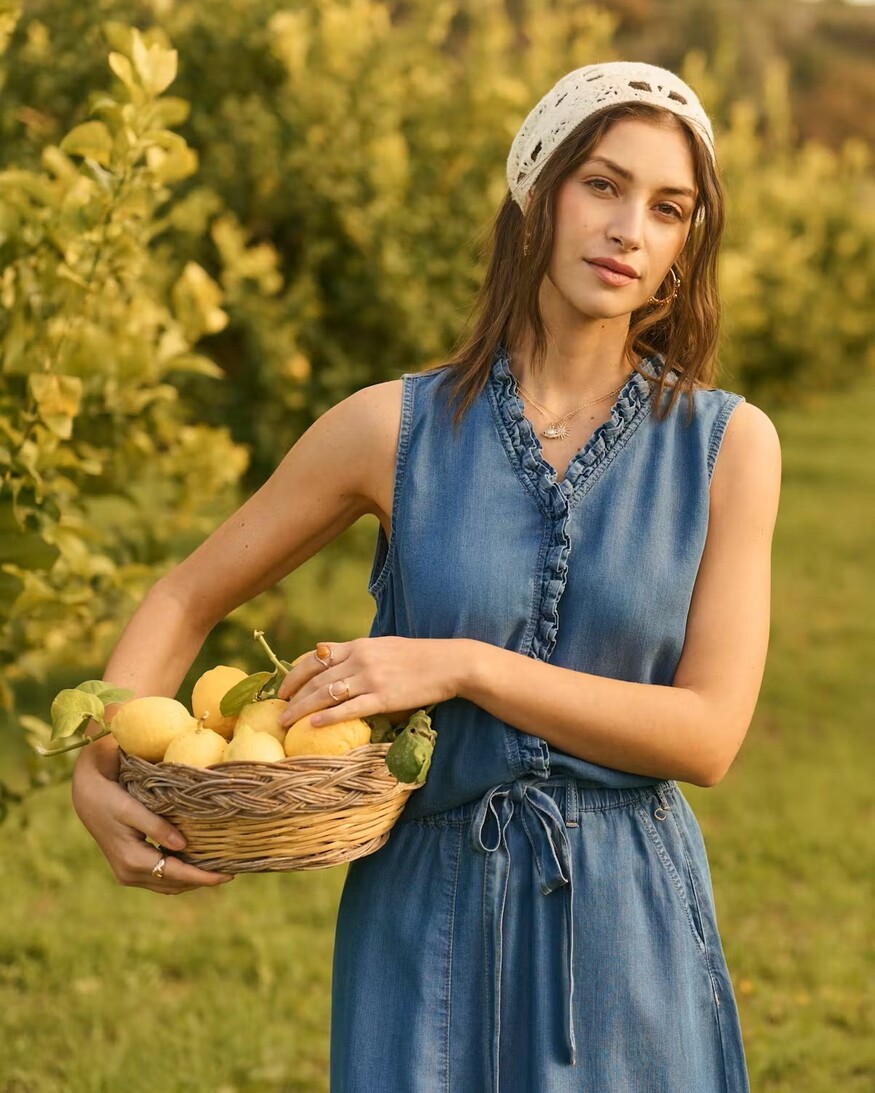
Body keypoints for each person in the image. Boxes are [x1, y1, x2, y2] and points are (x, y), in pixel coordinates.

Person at [72, 61, 781, 1091]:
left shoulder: (726, 446)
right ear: (534, 198)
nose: (629, 227)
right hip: (423, 914)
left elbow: (707, 733)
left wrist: (460, 666)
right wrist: (101, 763)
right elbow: (186, 594)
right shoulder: (388, 428)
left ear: (683, 246)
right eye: (600, 184)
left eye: (666, 208)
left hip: (623, 923)